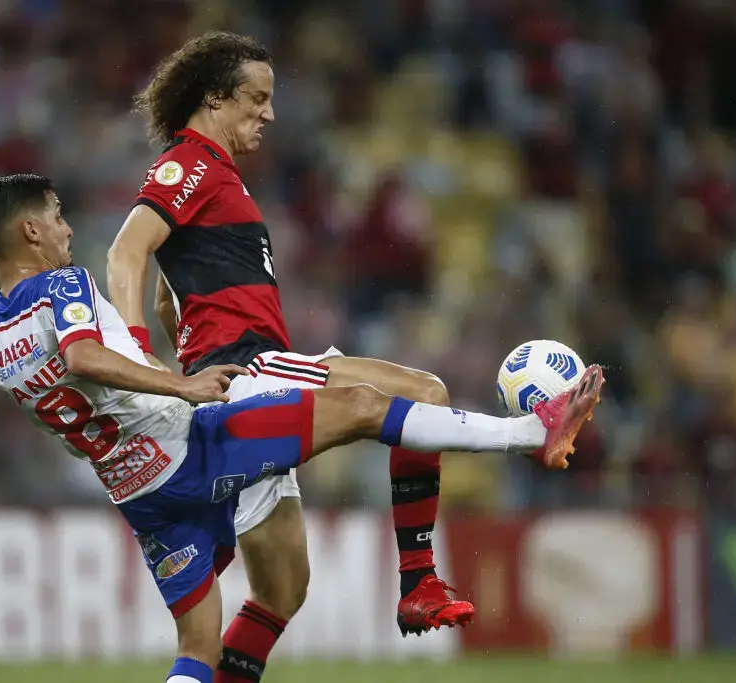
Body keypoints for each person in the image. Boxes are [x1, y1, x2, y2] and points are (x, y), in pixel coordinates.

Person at [0, 174, 605, 683]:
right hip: (190, 445)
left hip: (140, 493)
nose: (69, 227)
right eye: (59, 214)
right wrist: (179, 379)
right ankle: (530, 435)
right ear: (30, 232)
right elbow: (84, 358)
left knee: (199, 646)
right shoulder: (61, 286)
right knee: (360, 409)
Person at [106, 32, 483, 671]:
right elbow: (125, 250)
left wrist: (180, 341)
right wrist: (143, 360)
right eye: (256, 98)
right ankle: (418, 580)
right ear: (214, 98)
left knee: (283, 590)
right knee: (424, 393)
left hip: (245, 365)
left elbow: (173, 295)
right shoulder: (189, 164)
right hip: (253, 366)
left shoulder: (218, 177)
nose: (270, 114)